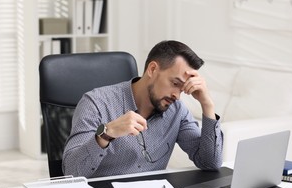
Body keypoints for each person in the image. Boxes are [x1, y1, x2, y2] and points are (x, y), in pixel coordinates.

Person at [63, 40, 223, 178]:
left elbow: (210, 163)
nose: (177, 96)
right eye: (175, 83)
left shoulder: (177, 111)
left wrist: (207, 104)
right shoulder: (96, 103)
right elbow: (71, 171)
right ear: (152, 69)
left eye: (182, 89)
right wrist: (106, 133)